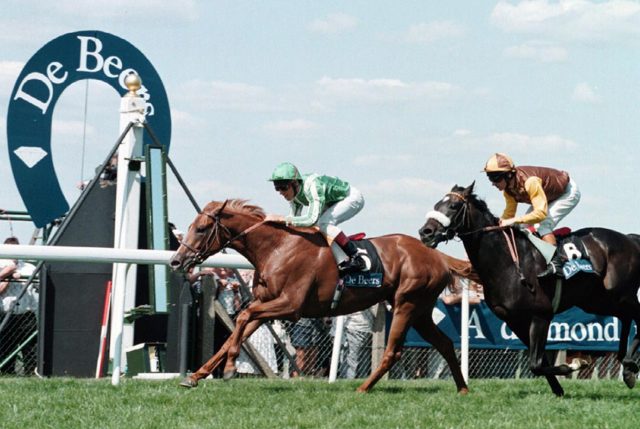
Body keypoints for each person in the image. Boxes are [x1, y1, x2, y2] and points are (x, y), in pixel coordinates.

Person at [483, 153, 581, 278]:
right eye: (489, 178)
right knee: (523, 227)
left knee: (544, 224)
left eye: (495, 178)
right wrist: (496, 226)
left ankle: (557, 263)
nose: (493, 183)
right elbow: (509, 215)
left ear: (508, 175)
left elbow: (540, 214)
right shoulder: (508, 191)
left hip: (567, 192)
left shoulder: (530, 182)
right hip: (548, 195)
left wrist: (513, 221)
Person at [264, 162, 366, 272]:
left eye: (283, 187)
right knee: (317, 227)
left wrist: (281, 219)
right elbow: (294, 224)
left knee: (323, 223)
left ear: (295, 183)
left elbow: (310, 219)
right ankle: (342, 262)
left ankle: (357, 257)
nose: (280, 192)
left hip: (351, 197)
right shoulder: (295, 196)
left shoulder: (312, 187)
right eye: (277, 188)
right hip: (332, 202)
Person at [0, 236, 38, 375]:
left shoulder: (30, 268)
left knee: (31, 350)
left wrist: (20, 274)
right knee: (5, 350)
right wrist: (8, 273)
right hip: (5, 315)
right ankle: (6, 375)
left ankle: (31, 375)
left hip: (26, 315)